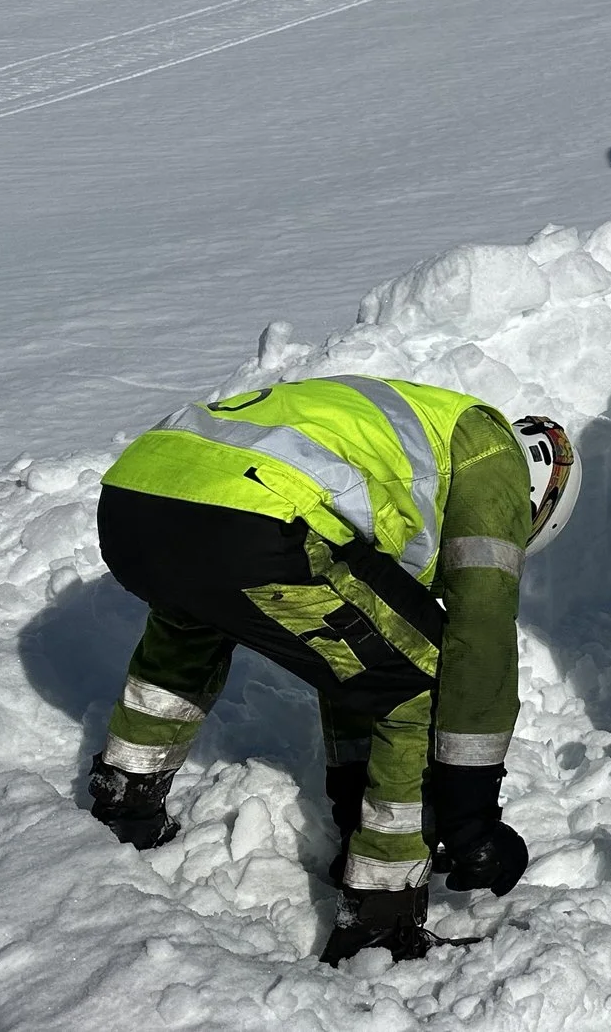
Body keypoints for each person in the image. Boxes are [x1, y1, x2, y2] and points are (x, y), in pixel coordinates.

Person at [83, 375, 579, 964]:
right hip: (254, 515)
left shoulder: (413, 439)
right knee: (426, 679)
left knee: (189, 630)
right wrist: (470, 816)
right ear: (537, 502)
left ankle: (123, 804)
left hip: (136, 500)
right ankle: (380, 922)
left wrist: (356, 799)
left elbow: (360, 657)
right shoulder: (494, 460)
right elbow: (481, 637)